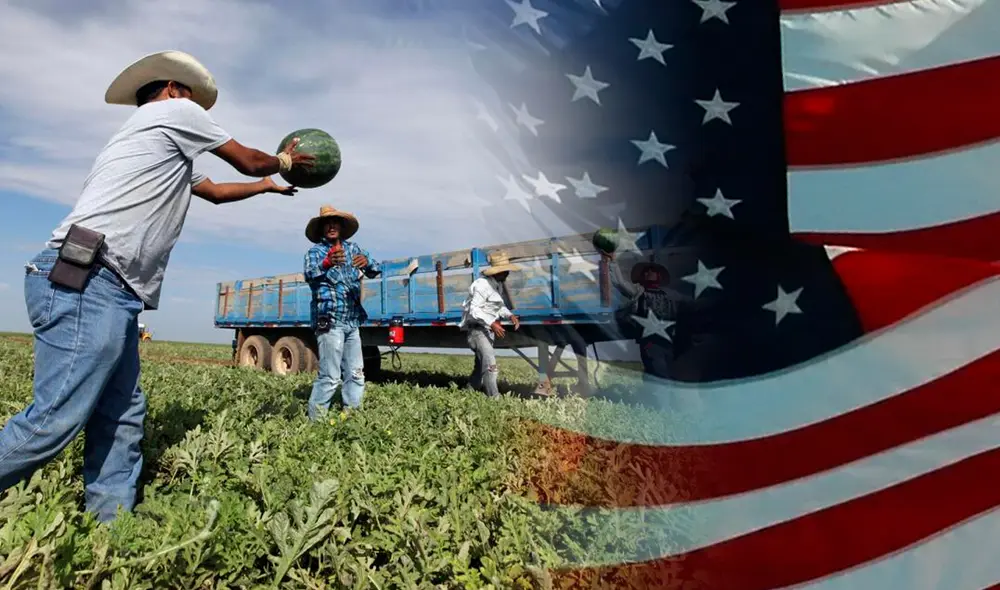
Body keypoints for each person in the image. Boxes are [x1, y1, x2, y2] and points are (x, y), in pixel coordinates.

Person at [0, 50, 316, 522]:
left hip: (107, 286)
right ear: (173, 89)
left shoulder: (155, 143)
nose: (198, 107)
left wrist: (266, 186)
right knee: (51, 421)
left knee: (122, 415)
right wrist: (286, 160)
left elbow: (215, 191)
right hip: (89, 278)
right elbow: (248, 160)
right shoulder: (175, 113)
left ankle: (111, 528)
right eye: (192, 97)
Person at [303, 205, 382, 420]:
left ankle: (352, 416)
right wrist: (327, 263)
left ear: (341, 227)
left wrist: (368, 263)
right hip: (329, 319)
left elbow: (376, 269)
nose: (331, 226)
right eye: (327, 223)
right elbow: (309, 275)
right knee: (330, 376)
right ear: (321, 228)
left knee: (356, 373)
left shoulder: (354, 249)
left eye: (335, 222)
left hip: (352, 320)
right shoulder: (315, 252)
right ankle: (316, 422)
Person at [459, 251, 521, 398]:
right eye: (505, 271)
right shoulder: (482, 285)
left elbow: (498, 307)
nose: (508, 273)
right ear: (498, 272)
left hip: (487, 331)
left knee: (480, 365)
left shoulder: (497, 285)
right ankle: (494, 398)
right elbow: (474, 310)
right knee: (490, 364)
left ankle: (469, 391)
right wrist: (492, 323)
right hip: (477, 331)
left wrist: (510, 315)